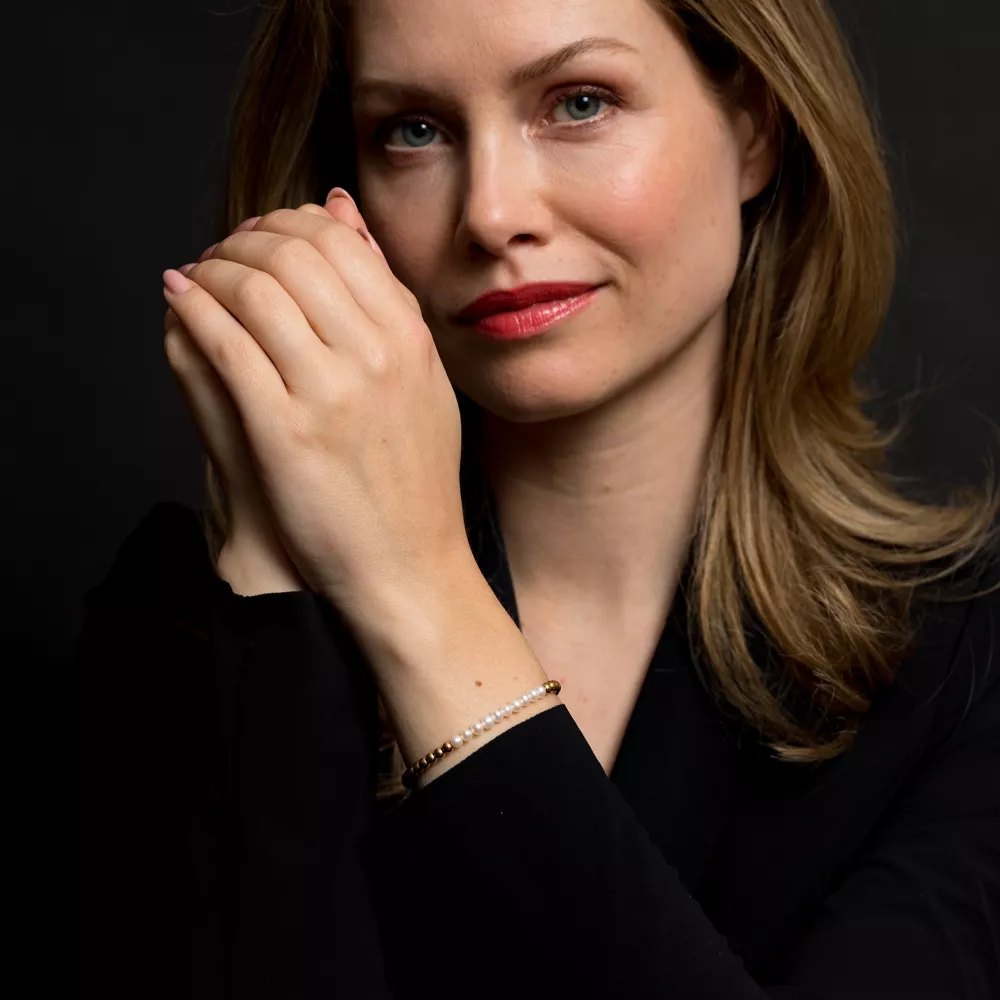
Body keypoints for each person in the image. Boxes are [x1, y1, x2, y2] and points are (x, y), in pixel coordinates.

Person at [77, 1, 1000, 997]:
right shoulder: (196, 625)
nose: (489, 212)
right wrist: (277, 562)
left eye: (580, 102)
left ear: (753, 128)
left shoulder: (969, 668)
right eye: (413, 130)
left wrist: (418, 588)